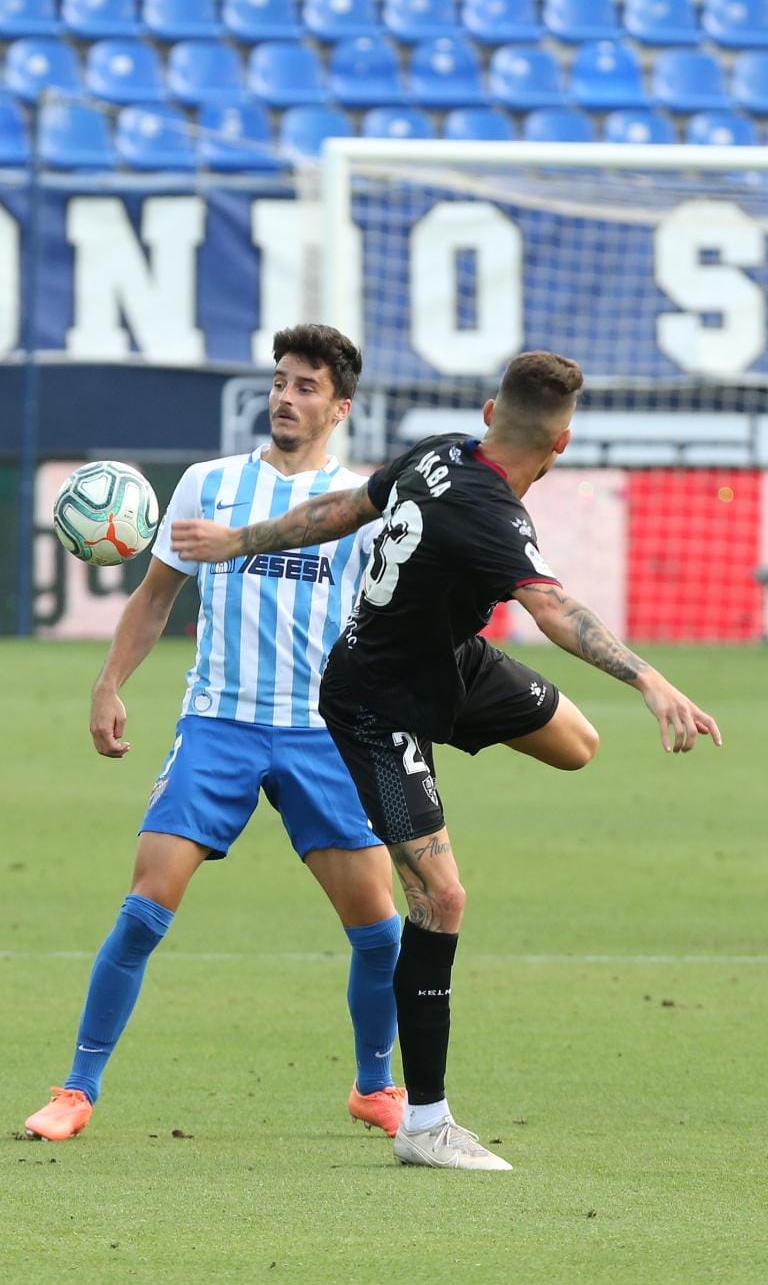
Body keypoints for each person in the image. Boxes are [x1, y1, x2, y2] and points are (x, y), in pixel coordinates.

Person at [172, 350, 722, 1173]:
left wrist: (237, 541)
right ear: (562, 443)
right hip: (374, 701)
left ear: (489, 410)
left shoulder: (439, 450)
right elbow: (556, 611)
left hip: (447, 662)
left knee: (578, 745)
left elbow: (341, 511)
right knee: (441, 896)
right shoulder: (494, 517)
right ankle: (424, 1122)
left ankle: (423, 780)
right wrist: (650, 679)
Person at [25, 324, 406, 1143]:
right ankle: (76, 1090)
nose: (284, 397)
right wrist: (108, 683)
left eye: (306, 387)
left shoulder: (360, 506)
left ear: (340, 407)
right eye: (279, 381)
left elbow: (387, 622)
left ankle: (376, 1086)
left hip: (320, 736)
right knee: (143, 908)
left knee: (381, 932)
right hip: (219, 726)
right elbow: (157, 597)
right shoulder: (210, 484)